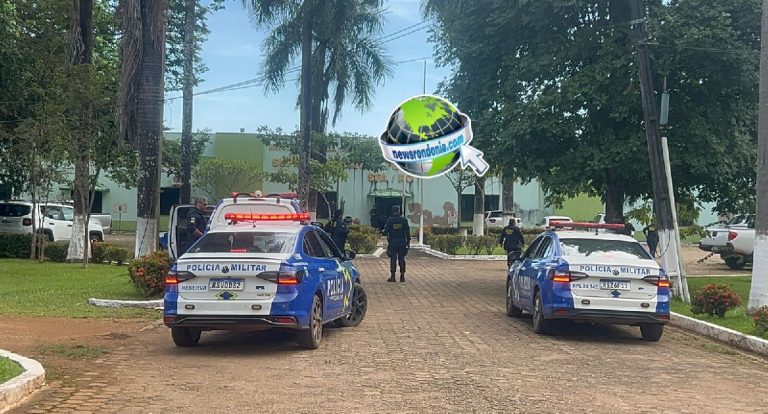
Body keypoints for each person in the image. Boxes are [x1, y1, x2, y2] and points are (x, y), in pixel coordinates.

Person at [383, 205, 410, 282]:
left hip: (393, 242)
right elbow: (407, 232)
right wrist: (408, 242)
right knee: (402, 259)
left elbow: (385, 232)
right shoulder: (404, 220)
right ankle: (402, 276)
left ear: (392, 211)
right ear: (399, 211)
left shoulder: (390, 220)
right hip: (402, 242)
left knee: (393, 259)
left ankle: (393, 276)